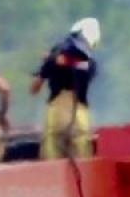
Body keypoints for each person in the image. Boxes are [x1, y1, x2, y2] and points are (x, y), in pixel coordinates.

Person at [29, 17, 100, 160]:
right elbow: (83, 69)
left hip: (56, 113)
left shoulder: (56, 53)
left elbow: (34, 88)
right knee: (82, 163)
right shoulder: (90, 62)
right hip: (80, 115)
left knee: (52, 163)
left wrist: (50, 62)